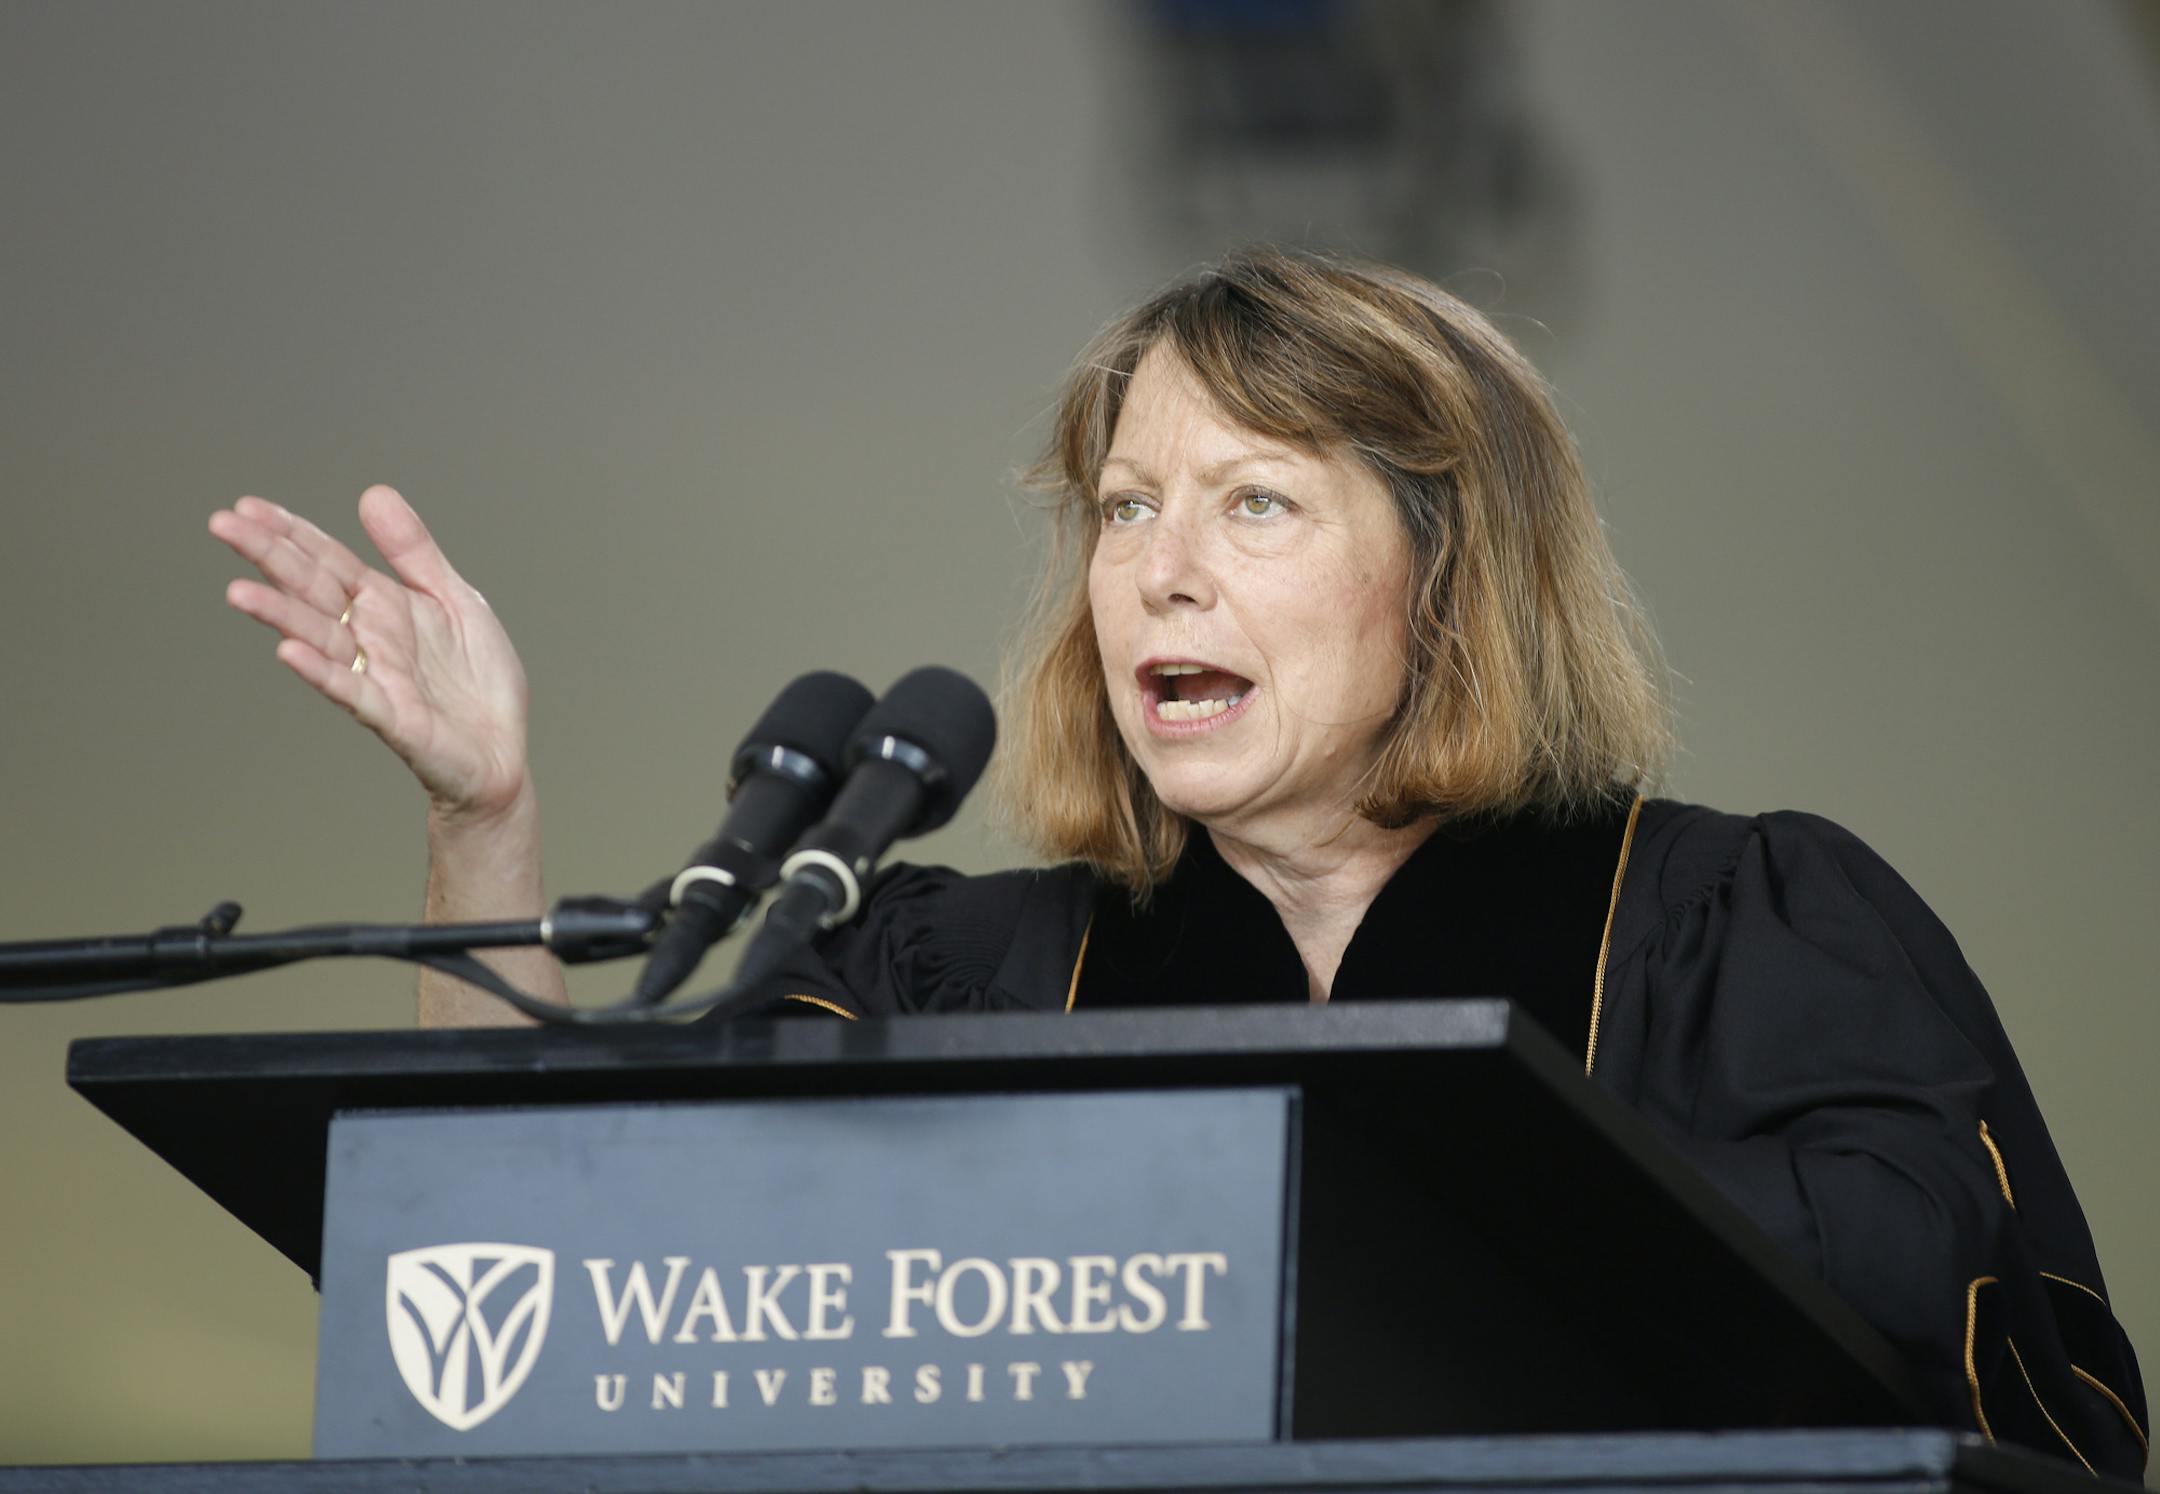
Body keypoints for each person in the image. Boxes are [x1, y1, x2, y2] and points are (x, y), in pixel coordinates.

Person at [209, 250, 2144, 1475]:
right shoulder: (969, 968)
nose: (1159, 570)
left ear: (1449, 575)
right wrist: (483, 818)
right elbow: (551, 1258)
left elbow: (1930, 1326)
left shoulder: (1731, 927)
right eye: (1127, 507)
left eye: (1255, 502)